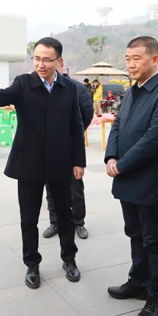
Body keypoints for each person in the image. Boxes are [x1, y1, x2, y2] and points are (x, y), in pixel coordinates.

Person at [0, 37, 86, 290]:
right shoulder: (23, 83)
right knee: (29, 218)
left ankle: (69, 259)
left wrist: (78, 161)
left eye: (47, 60)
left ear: (59, 61)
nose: (40, 64)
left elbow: (76, 125)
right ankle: (32, 264)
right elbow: (3, 95)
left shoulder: (70, 88)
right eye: (37, 59)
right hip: (29, 162)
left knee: (65, 215)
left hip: (60, 162)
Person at [105, 36, 158, 316]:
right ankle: (138, 282)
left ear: (154, 59)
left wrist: (121, 165)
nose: (130, 64)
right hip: (126, 178)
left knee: (154, 241)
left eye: (136, 58)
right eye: (128, 59)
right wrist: (111, 157)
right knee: (135, 234)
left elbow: (155, 140)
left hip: (150, 181)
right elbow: (118, 125)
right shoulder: (132, 91)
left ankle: (157, 296)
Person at [43, 67, 93, 240]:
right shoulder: (43, 88)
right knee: (50, 187)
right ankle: (55, 221)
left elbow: (87, 113)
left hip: (70, 147)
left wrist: (72, 134)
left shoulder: (77, 88)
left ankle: (78, 222)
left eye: (50, 60)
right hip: (48, 148)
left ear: (60, 62)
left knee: (75, 187)